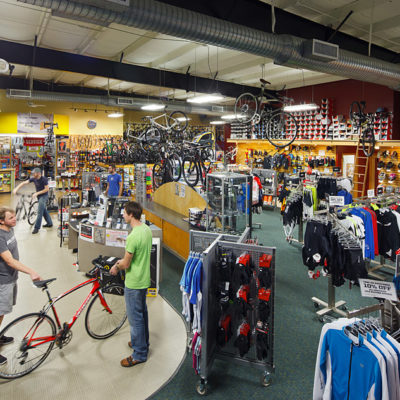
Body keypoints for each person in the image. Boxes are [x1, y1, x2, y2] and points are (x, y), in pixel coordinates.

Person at [110, 201, 152, 368]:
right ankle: (142, 342)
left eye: (125, 212)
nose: (123, 215)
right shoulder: (146, 229)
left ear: (131, 214)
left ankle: (139, 353)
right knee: (142, 314)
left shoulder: (133, 236)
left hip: (134, 283)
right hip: (144, 280)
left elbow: (126, 264)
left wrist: (116, 266)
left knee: (135, 320)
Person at [0, 206, 41, 365]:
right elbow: (9, 260)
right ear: (2, 221)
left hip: (11, 278)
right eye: (11, 218)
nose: (15, 219)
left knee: (2, 313)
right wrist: (31, 271)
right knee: (0, 312)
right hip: (3, 281)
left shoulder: (9, 230)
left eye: (14, 217)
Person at [13, 168, 53, 234]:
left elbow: (46, 189)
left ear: (39, 173)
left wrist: (37, 193)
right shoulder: (33, 178)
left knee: (40, 212)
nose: (33, 174)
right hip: (39, 196)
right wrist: (16, 189)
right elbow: (23, 183)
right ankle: (49, 223)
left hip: (44, 196)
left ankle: (36, 228)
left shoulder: (44, 179)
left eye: (34, 173)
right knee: (43, 210)